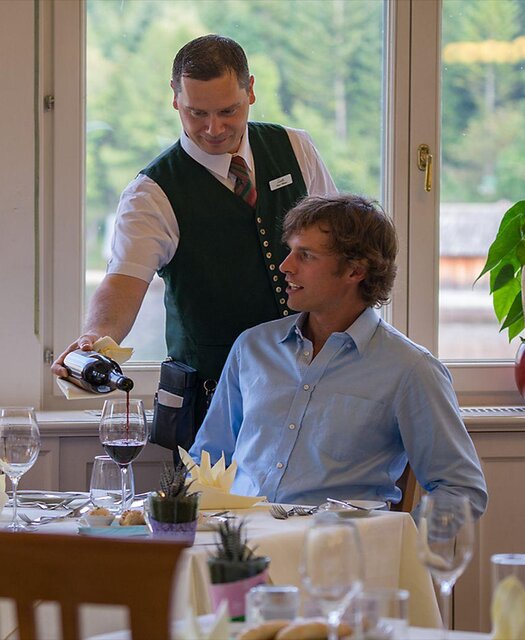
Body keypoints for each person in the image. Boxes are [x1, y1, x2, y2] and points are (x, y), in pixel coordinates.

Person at [51, 34, 336, 447]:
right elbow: (123, 284)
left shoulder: (296, 147)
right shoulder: (152, 192)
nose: (213, 128)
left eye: (228, 111)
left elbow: (336, 249)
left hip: (312, 385)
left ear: (251, 90)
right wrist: (94, 340)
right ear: (175, 98)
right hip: (213, 403)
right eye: (196, 112)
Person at [188, 194, 488, 518]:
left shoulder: (411, 370)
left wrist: (397, 545)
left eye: (305, 255)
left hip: (339, 557)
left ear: (355, 270)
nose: (285, 266)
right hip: (237, 551)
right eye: (290, 251)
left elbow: (461, 491)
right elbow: (206, 459)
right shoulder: (252, 347)